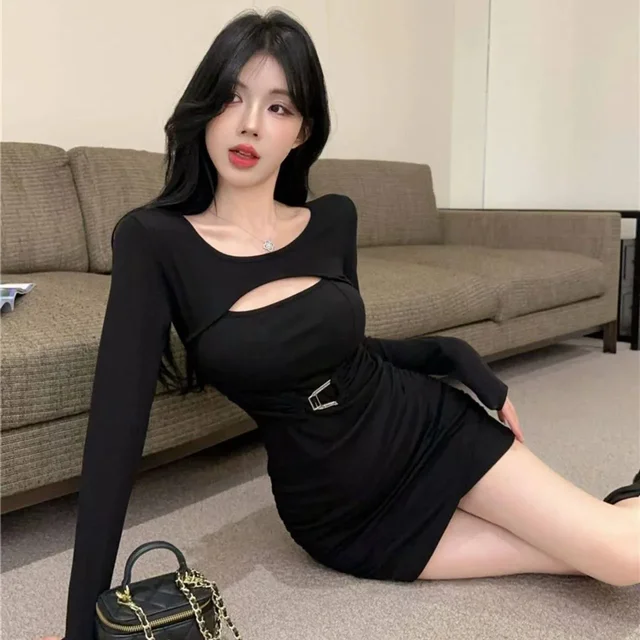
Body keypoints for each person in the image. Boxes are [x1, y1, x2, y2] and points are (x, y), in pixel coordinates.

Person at [42, 8, 640, 640]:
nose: (249, 123)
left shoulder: (332, 219)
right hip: (337, 516)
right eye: (232, 97)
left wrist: (449, 354)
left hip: (423, 428)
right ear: (204, 107)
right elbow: (114, 434)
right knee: (593, 556)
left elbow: (343, 353)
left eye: (278, 106)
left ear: (302, 131)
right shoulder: (154, 241)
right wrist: (81, 630)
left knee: (619, 557)